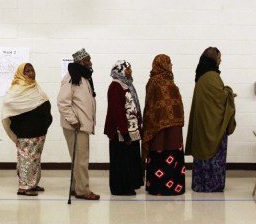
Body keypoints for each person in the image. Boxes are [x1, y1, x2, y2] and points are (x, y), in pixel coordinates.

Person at [185, 47, 236, 192]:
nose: (221, 60)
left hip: (202, 124)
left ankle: (200, 184)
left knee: (201, 154)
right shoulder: (212, 76)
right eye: (219, 57)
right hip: (213, 126)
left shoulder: (201, 77)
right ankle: (213, 185)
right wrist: (229, 91)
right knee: (214, 153)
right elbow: (221, 97)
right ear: (213, 59)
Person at [2, 63, 52, 196]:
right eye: (27, 71)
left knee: (35, 159)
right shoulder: (16, 89)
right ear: (21, 74)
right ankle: (24, 187)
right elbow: (8, 104)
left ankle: (32, 183)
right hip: (26, 132)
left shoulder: (34, 86)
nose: (31, 72)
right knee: (26, 159)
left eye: (32, 69)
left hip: (39, 131)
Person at [58, 49, 100, 200]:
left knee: (78, 158)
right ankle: (83, 191)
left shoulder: (84, 77)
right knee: (81, 159)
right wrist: (74, 121)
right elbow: (63, 103)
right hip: (75, 126)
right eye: (88, 60)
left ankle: (76, 187)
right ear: (81, 62)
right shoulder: (71, 78)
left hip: (82, 125)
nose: (91, 63)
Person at [143, 55, 185, 196]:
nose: (171, 65)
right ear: (162, 64)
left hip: (173, 129)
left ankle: (172, 186)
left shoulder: (167, 80)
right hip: (158, 129)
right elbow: (151, 107)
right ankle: (159, 187)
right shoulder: (154, 82)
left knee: (171, 155)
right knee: (160, 155)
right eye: (169, 62)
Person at [104, 60, 144, 195]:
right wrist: (125, 132)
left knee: (129, 159)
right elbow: (117, 112)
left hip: (131, 130)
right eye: (128, 69)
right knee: (121, 160)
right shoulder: (115, 86)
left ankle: (130, 183)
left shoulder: (126, 85)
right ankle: (120, 188)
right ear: (120, 70)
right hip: (120, 132)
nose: (130, 71)